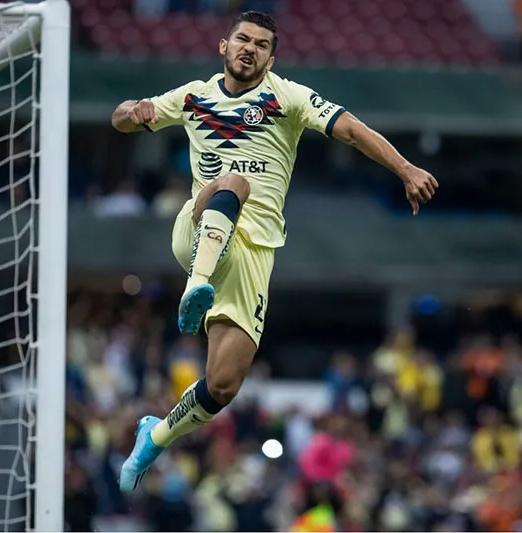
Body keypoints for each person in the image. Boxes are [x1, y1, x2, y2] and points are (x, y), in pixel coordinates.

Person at [111, 10, 438, 492]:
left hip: (253, 255)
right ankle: (196, 285)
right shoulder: (192, 97)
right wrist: (131, 110)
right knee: (233, 181)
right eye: (242, 39)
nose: (250, 48)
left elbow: (350, 129)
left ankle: (155, 435)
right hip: (199, 230)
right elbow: (121, 120)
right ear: (223, 46)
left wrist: (405, 168)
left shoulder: (289, 98)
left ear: (272, 56)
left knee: (223, 386)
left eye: (262, 44)